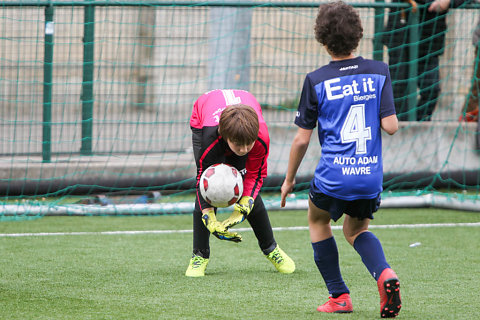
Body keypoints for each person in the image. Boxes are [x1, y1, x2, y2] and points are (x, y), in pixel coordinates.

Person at [280, 1, 401, 317]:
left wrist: (289, 179)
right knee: (357, 230)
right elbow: (391, 127)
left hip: (334, 175)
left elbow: (301, 139)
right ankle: (385, 273)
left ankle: (339, 297)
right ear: (359, 36)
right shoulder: (380, 71)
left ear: (321, 39)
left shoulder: (316, 80)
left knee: (318, 221)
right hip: (369, 175)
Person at [186, 89, 295, 277]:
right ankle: (200, 255)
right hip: (203, 115)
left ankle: (271, 249)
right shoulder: (210, 140)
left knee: (244, 183)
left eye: (248, 144)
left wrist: (244, 205)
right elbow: (201, 179)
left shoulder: (260, 138)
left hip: (244, 121)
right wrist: (209, 218)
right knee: (210, 185)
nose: (244, 150)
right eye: (238, 145)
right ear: (226, 137)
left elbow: (256, 175)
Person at [382, 0, 469, 121]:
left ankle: (417, 126)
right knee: (400, 93)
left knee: (431, 89)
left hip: (429, 41)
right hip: (401, 37)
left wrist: (448, 1)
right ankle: (403, 129)